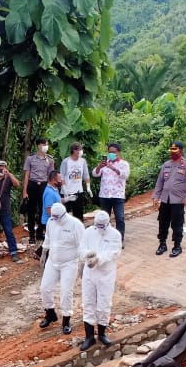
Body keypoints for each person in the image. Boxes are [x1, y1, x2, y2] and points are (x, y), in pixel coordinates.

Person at [38, 202, 86, 335]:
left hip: (69, 263)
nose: (55, 220)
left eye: (57, 217)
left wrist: (82, 265)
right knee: (45, 288)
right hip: (53, 261)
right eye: (53, 217)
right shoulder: (51, 221)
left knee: (66, 292)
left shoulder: (75, 225)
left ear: (64, 215)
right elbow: (47, 238)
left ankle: (66, 320)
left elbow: (83, 245)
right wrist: (43, 253)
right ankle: (50, 313)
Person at [79, 210, 122, 350]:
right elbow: (82, 249)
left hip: (105, 274)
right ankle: (89, 337)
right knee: (88, 302)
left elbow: (114, 253)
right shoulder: (89, 232)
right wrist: (88, 256)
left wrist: (99, 259)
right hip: (90, 273)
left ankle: (102, 333)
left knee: (104, 303)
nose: (99, 229)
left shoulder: (115, 235)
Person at [153, 141, 186, 258]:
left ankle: (177, 246)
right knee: (162, 222)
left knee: (177, 224)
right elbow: (160, 182)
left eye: (175, 151)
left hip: (178, 200)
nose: (172, 153)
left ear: (181, 151)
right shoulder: (166, 164)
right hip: (165, 200)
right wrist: (156, 197)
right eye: (171, 151)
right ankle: (162, 244)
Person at [93, 142, 130, 241]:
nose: (111, 154)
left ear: (118, 152)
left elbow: (125, 175)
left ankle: (119, 240)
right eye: (109, 152)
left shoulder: (124, 164)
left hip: (117, 195)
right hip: (105, 195)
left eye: (113, 152)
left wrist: (113, 168)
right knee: (104, 219)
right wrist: (99, 167)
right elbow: (95, 174)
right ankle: (104, 239)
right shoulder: (104, 163)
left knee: (120, 219)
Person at [22, 137, 55, 245]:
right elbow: (26, 175)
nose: (46, 146)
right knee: (31, 210)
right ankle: (31, 234)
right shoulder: (30, 159)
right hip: (32, 185)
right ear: (39, 145)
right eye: (44, 144)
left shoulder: (50, 159)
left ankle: (40, 232)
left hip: (44, 186)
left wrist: (52, 190)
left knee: (43, 210)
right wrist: (25, 191)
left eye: (47, 144)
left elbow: (51, 177)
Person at [60, 141, 92, 221]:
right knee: (64, 214)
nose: (80, 151)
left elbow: (86, 175)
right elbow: (62, 176)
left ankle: (79, 231)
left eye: (81, 149)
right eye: (78, 150)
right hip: (67, 192)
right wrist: (64, 189)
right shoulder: (66, 161)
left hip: (78, 192)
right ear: (73, 150)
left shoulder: (83, 161)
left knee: (78, 215)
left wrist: (88, 187)